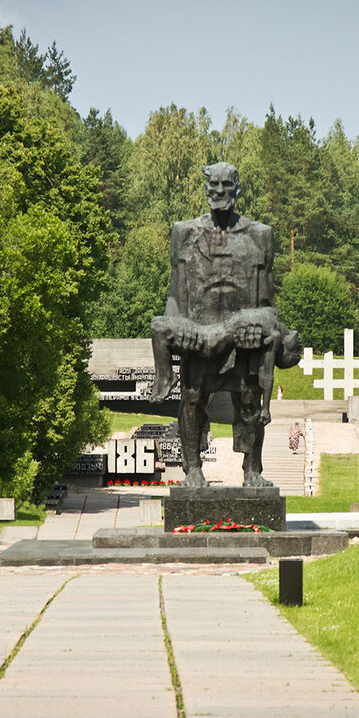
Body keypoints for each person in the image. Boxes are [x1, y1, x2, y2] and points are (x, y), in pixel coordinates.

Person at [149, 162, 300, 487]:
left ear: (237, 190)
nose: (219, 194)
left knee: (249, 402)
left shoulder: (260, 236)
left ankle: (252, 470)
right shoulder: (184, 232)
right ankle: (193, 470)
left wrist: (266, 329)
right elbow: (175, 296)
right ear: (206, 191)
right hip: (199, 337)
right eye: (214, 187)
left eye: (226, 187)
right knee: (191, 400)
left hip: (244, 342)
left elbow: (267, 302)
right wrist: (176, 334)